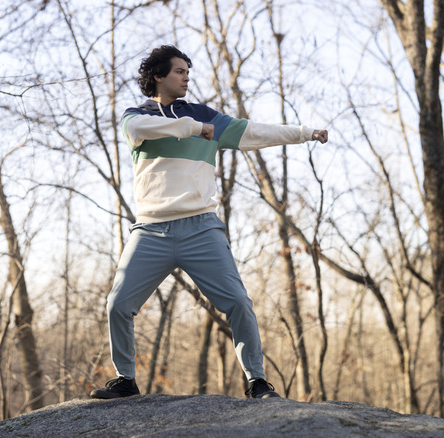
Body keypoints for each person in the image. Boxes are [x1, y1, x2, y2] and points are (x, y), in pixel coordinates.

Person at [90, 45, 328, 400]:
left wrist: (305, 132)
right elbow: (139, 129)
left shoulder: (207, 116)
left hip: (201, 228)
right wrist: (192, 128)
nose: (187, 77)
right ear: (158, 76)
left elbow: (256, 133)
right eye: (179, 71)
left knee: (238, 303)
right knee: (118, 304)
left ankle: (257, 381)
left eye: (188, 71)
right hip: (151, 231)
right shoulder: (137, 115)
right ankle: (125, 379)